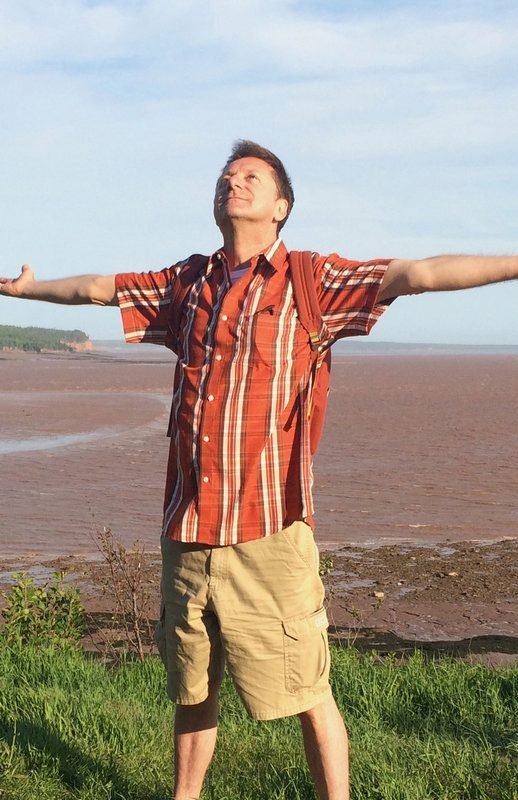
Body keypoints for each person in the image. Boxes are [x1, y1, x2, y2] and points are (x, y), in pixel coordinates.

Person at [1, 140, 517, 800]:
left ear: (281, 207)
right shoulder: (189, 284)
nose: (233, 182)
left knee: (308, 691)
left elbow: (419, 273)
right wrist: (30, 290)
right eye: (226, 175)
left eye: (250, 177)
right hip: (188, 530)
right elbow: (101, 290)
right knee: (192, 689)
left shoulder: (312, 281)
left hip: (269, 531)